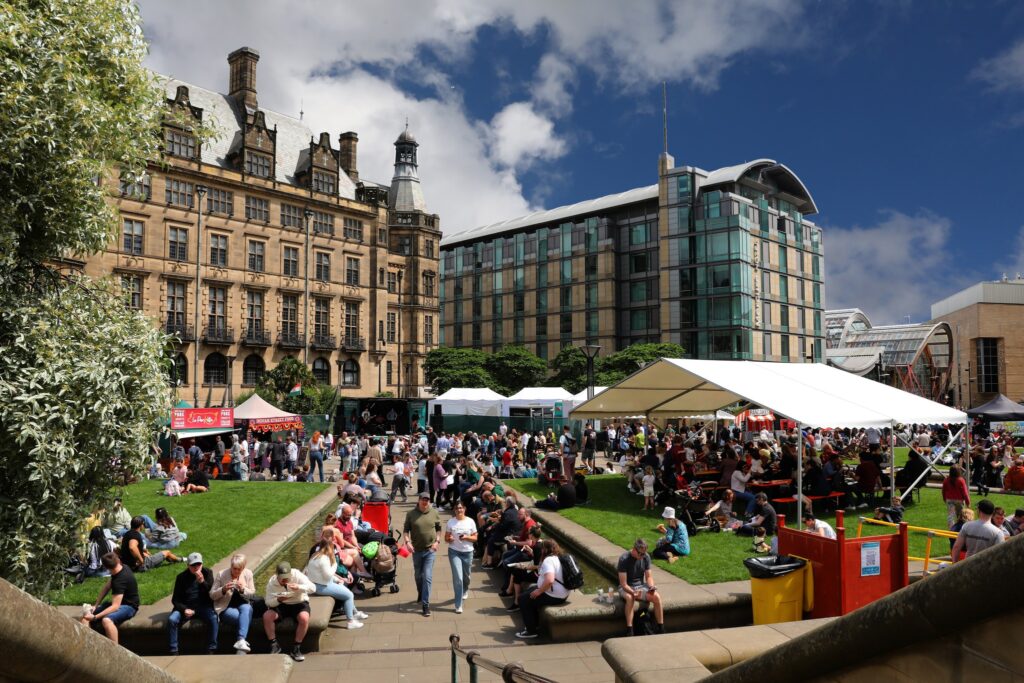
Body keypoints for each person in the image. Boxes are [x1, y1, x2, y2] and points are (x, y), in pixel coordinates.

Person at [304, 530, 368, 629]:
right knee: (349, 595)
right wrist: (334, 564)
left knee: (345, 590)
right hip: (322, 586)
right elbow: (328, 575)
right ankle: (350, 621)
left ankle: (355, 613)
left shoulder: (315, 556)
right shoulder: (323, 559)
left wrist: (338, 580)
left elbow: (324, 575)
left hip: (320, 583)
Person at [515, 539, 571, 639]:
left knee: (523, 599)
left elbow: (549, 580)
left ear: (544, 550)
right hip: (562, 593)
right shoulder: (556, 557)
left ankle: (531, 631)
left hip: (555, 596)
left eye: (541, 548)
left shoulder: (548, 560)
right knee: (529, 592)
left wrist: (539, 591)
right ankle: (535, 624)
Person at [80, 552, 139, 645]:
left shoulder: (120, 581)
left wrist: (95, 617)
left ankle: (116, 651)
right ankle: (88, 646)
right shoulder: (121, 567)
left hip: (129, 606)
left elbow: (115, 607)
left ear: (106, 568)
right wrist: (96, 605)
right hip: (118, 604)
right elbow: (107, 587)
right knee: (85, 617)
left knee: (106, 620)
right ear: (118, 560)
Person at [263, 561, 316, 662]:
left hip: (299, 603)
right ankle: (274, 644)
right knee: (267, 616)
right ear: (277, 575)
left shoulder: (297, 575)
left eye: (287, 577)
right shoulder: (272, 582)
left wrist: (299, 587)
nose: (285, 580)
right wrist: (279, 600)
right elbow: (268, 602)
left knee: (304, 618)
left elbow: (313, 588)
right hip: (281, 605)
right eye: (282, 578)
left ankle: (296, 647)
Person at [168, 552, 218, 655]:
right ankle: (173, 650)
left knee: (213, 618)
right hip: (186, 606)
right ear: (188, 566)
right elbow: (175, 600)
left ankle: (211, 649)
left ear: (202, 564)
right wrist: (184, 609)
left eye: (198, 564)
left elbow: (212, 595)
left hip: (203, 606)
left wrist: (202, 582)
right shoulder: (181, 577)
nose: (196, 567)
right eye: (193, 565)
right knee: (172, 619)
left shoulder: (208, 573)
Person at [403, 491, 442, 617]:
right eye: (423, 500)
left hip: (430, 550)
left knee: (427, 577)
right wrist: (407, 542)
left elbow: (439, 528)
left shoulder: (434, 512)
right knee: (418, 576)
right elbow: (405, 530)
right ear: (419, 500)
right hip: (416, 550)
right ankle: (420, 591)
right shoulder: (411, 514)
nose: (425, 502)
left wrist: (437, 541)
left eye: (428, 500)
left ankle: (425, 605)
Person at [211, 553, 257, 654]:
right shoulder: (221, 574)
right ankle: (241, 646)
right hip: (225, 607)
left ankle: (240, 641)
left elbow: (253, 594)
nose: (236, 571)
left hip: (243, 605)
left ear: (243, 568)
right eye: (234, 568)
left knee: (247, 609)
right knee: (243, 620)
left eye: (239, 569)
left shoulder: (248, 573)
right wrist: (223, 589)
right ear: (231, 566)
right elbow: (212, 595)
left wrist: (242, 589)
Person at [617, 538, 664, 636]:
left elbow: (649, 577)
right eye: (640, 554)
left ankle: (660, 628)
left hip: (640, 586)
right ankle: (630, 629)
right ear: (634, 550)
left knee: (657, 597)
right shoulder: (624, 559)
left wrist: (651, 586)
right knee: (630, 598)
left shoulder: (646, 557)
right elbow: (623, 584)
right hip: (626, 587)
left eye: (644, 553)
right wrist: (633, 592)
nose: (643, 556)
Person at [445, 501, 478, 614]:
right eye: (457, 508)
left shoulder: (470, 521)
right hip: (454, 552)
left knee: (466, 576)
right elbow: (446, 537)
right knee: (458, 578)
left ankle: (465, 589)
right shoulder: (451, 522)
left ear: (464, 509)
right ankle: (458, 604)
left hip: (468, 552)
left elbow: (475, 538)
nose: (459, 510)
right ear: (454, 510)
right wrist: (450, 539)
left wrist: (467, 537)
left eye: (461, 508)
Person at [942, 465, 971, 530]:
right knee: (961, 516)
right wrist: (968, 502)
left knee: (950, 516)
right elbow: (965, 492)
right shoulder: (961, 480)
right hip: (959, 500)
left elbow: (943, 490)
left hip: (949, 500)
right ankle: (961, 529)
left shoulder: (946, 480)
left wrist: (944, 498)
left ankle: (951, 530)